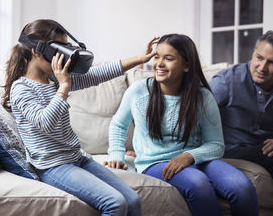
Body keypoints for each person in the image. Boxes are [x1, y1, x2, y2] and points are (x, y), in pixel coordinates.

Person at [2, 19, 158, 216]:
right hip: (53, 166)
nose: (64, 56)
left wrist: (139, 59)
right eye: (58, 50)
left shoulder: (52, 79)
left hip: (77, 158)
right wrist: (64, 87)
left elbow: (98, 74)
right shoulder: (22, 88)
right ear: (37, 51)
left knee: (133, 200)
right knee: (115, 203)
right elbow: (44, 123)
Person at [104, 34, 259, 216]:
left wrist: (187, 157)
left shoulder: (202, 97)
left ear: (186, 65)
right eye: (157, 57)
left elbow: (216, 145)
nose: (159, 63)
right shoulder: (138, 91)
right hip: (154, 162)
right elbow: (118, 125)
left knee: (242, 187)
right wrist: (117, 155)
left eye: (168, 58)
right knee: (198, 183)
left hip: (196, 159)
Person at [209, 30, 273, 177]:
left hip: (264, 148)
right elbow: (195, 112)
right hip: (232, 149)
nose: (262, 67)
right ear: (253, 53)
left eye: (271, 62)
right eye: (259, 58)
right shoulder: (226, 81)